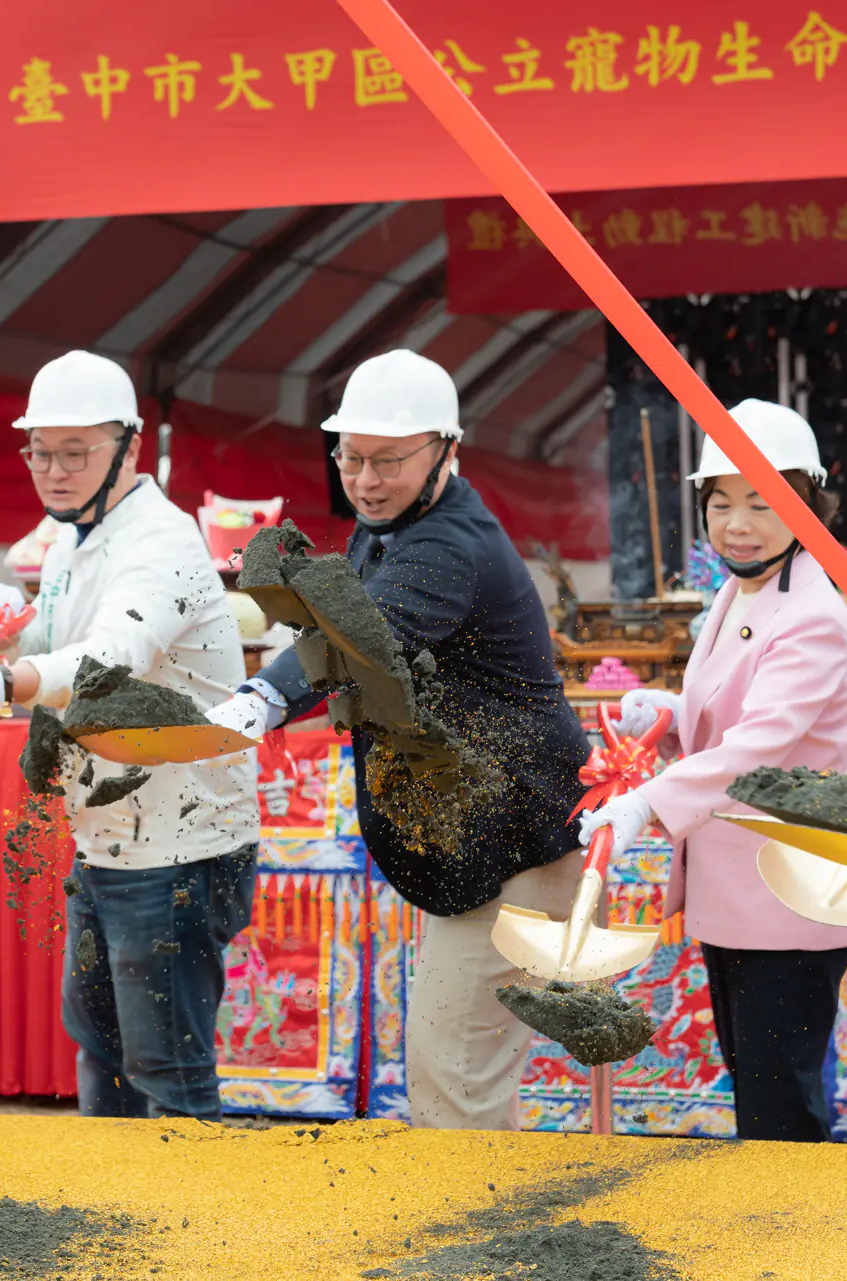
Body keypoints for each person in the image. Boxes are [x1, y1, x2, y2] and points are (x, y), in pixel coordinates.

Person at [206, 349, 593, 1130]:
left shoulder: (449, 544)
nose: (366, 478)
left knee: (454, 1078)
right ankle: (485, 1232)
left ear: (447, 450)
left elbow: (362, 638)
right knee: (457, 1072)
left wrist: (264, 696)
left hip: (517, 847)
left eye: (388, 460)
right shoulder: (384, 527)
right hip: (476, 841)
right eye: (350, 458)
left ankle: (477, 1245)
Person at [0, 349, 258, 1120]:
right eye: (40, 451)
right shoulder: (74, 537)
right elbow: (60, 640)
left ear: (131, 448)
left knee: (166, 1065)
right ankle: (109, 1223)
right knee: (103, 1047)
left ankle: (189, 1231)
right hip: (108, 837)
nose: (54, 469)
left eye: (76, 452)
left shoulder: (162, 540)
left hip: (182, 847)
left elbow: (112, 658)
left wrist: (7, 682)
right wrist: (7, 636)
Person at [578, 401, 847, 1143]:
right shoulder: (739, 591)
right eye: (721, 502)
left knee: (779, 1108)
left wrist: (643, 803)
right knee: (758, 1085)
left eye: (761, 502)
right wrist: (670, 712)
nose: (737, 522)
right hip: (739, 890)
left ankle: (790, 1248)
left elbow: (758, 746)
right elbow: (734, 712)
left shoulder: (812, 613)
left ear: (806, 503)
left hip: (784, 893)